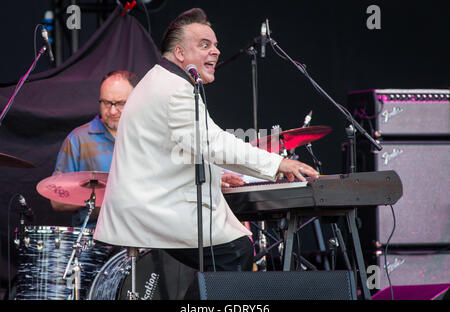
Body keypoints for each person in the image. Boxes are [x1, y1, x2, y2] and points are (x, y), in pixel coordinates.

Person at [93, 8, 318, 273]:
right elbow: (212, 143)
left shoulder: (161, 81)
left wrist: (212, 176)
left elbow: (176, 148)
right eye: (204, 45)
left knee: (229, 254)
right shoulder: (174, 89)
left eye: (215, 45)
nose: (215, 51)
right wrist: (279, 164)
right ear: (179, 53)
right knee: (235, 250)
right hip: (153, 209)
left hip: (149, 204)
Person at [51, 70, 138, 226]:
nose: (112, 111)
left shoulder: (147, 136)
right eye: (106, 102)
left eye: (120, 103)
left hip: (142, 235)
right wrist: (97, 196)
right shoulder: (78, 139)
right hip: (95, 239)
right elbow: (56, 200)